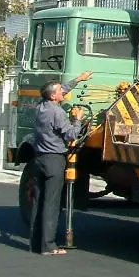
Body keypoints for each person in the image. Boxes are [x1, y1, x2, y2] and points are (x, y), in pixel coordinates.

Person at [28, 70, 93, 255]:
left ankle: (36, 244)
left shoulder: (41, 106)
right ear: (53, 96)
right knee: (52, 203)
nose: (63, 93)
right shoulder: (57, 112)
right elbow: (71, 134)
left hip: (39, 158)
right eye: (59, 92)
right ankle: (49, 246)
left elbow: (62, 89)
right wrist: (77, 120)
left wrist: (78, 80)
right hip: (53, 160)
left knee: (38, 201)